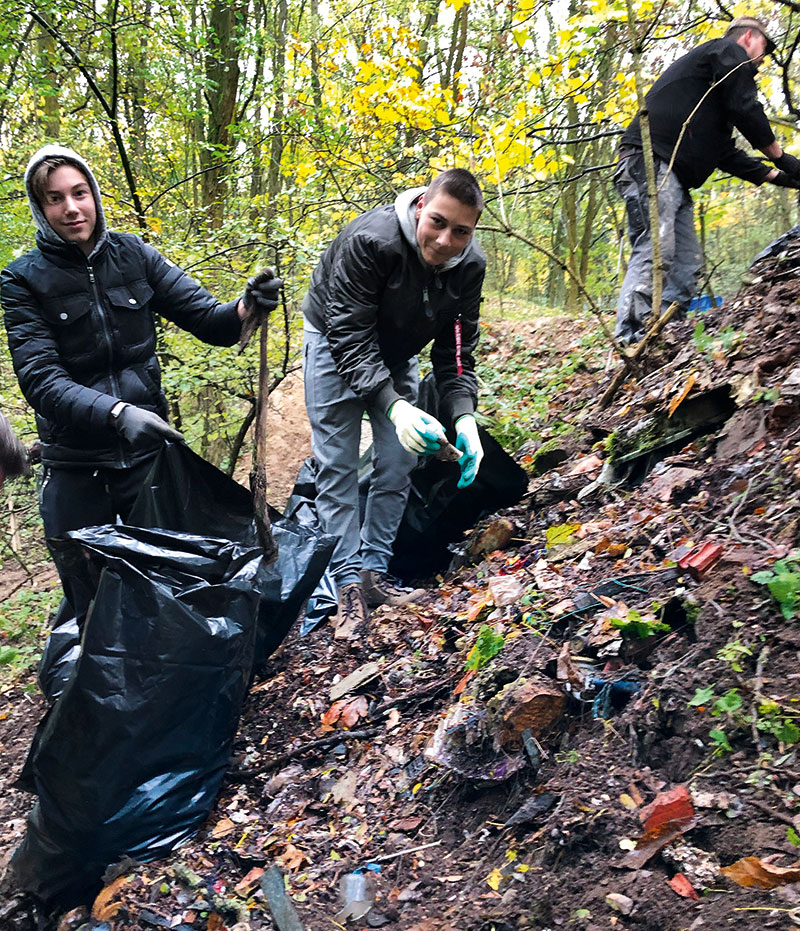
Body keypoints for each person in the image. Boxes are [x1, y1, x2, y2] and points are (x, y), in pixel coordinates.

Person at [1, 144, 281, 605]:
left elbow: (210, 321)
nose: (72, 208)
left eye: (79, 192)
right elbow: (41, 380)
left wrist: (247, 306)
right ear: (40, 207)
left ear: (94, 193)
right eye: (55, 198)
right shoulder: (22, 280)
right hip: (75, 465)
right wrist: (116, 413)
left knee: (165, 593)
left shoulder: (133, 254)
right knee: (89, 600)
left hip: (145, 462)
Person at [301, 168, 486, 635]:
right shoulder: (371, 240)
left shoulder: (469, 267)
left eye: (461, 231)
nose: (446, 240)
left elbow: (456, 349)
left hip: (398, 350)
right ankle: (346, 586)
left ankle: (373, 574)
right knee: (337, 464)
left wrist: (464, 417)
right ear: (422, 205)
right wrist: (393, 404)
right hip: (332, 342)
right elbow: (347, 333)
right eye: (438, 222)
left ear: (473, 230)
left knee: (400, 460)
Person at [614, 16, 800, 344]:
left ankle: (663, 333)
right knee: (656, 246)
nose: (763, 58)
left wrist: (783, 178)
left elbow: (726, 155)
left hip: (675, 179)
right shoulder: (726, 51)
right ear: (747, 37)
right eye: (764, 48)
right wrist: (780, 156)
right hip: (649, 162)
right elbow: (747, 107)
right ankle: (631, 336)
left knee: (686, 264)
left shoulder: (712, 100)